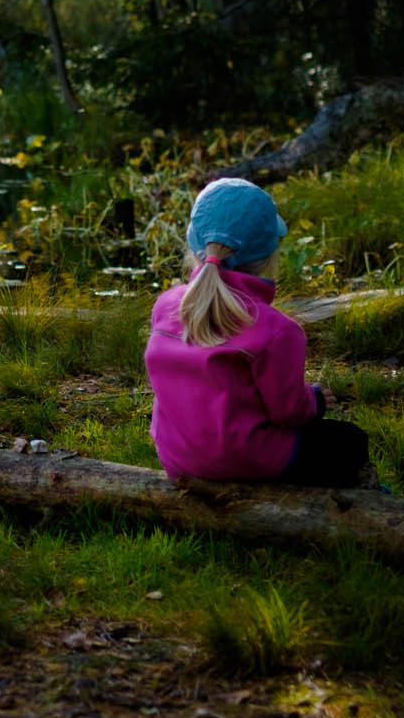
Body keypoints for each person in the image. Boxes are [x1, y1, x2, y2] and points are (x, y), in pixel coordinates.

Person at [145, 177, 371, 487]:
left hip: (179, 456)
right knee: (349, 440)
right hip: (246, 459)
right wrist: (314, 400)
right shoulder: (278, 331)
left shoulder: (166, 306)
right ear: (268, 254)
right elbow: (289, 413)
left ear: (193, 245)